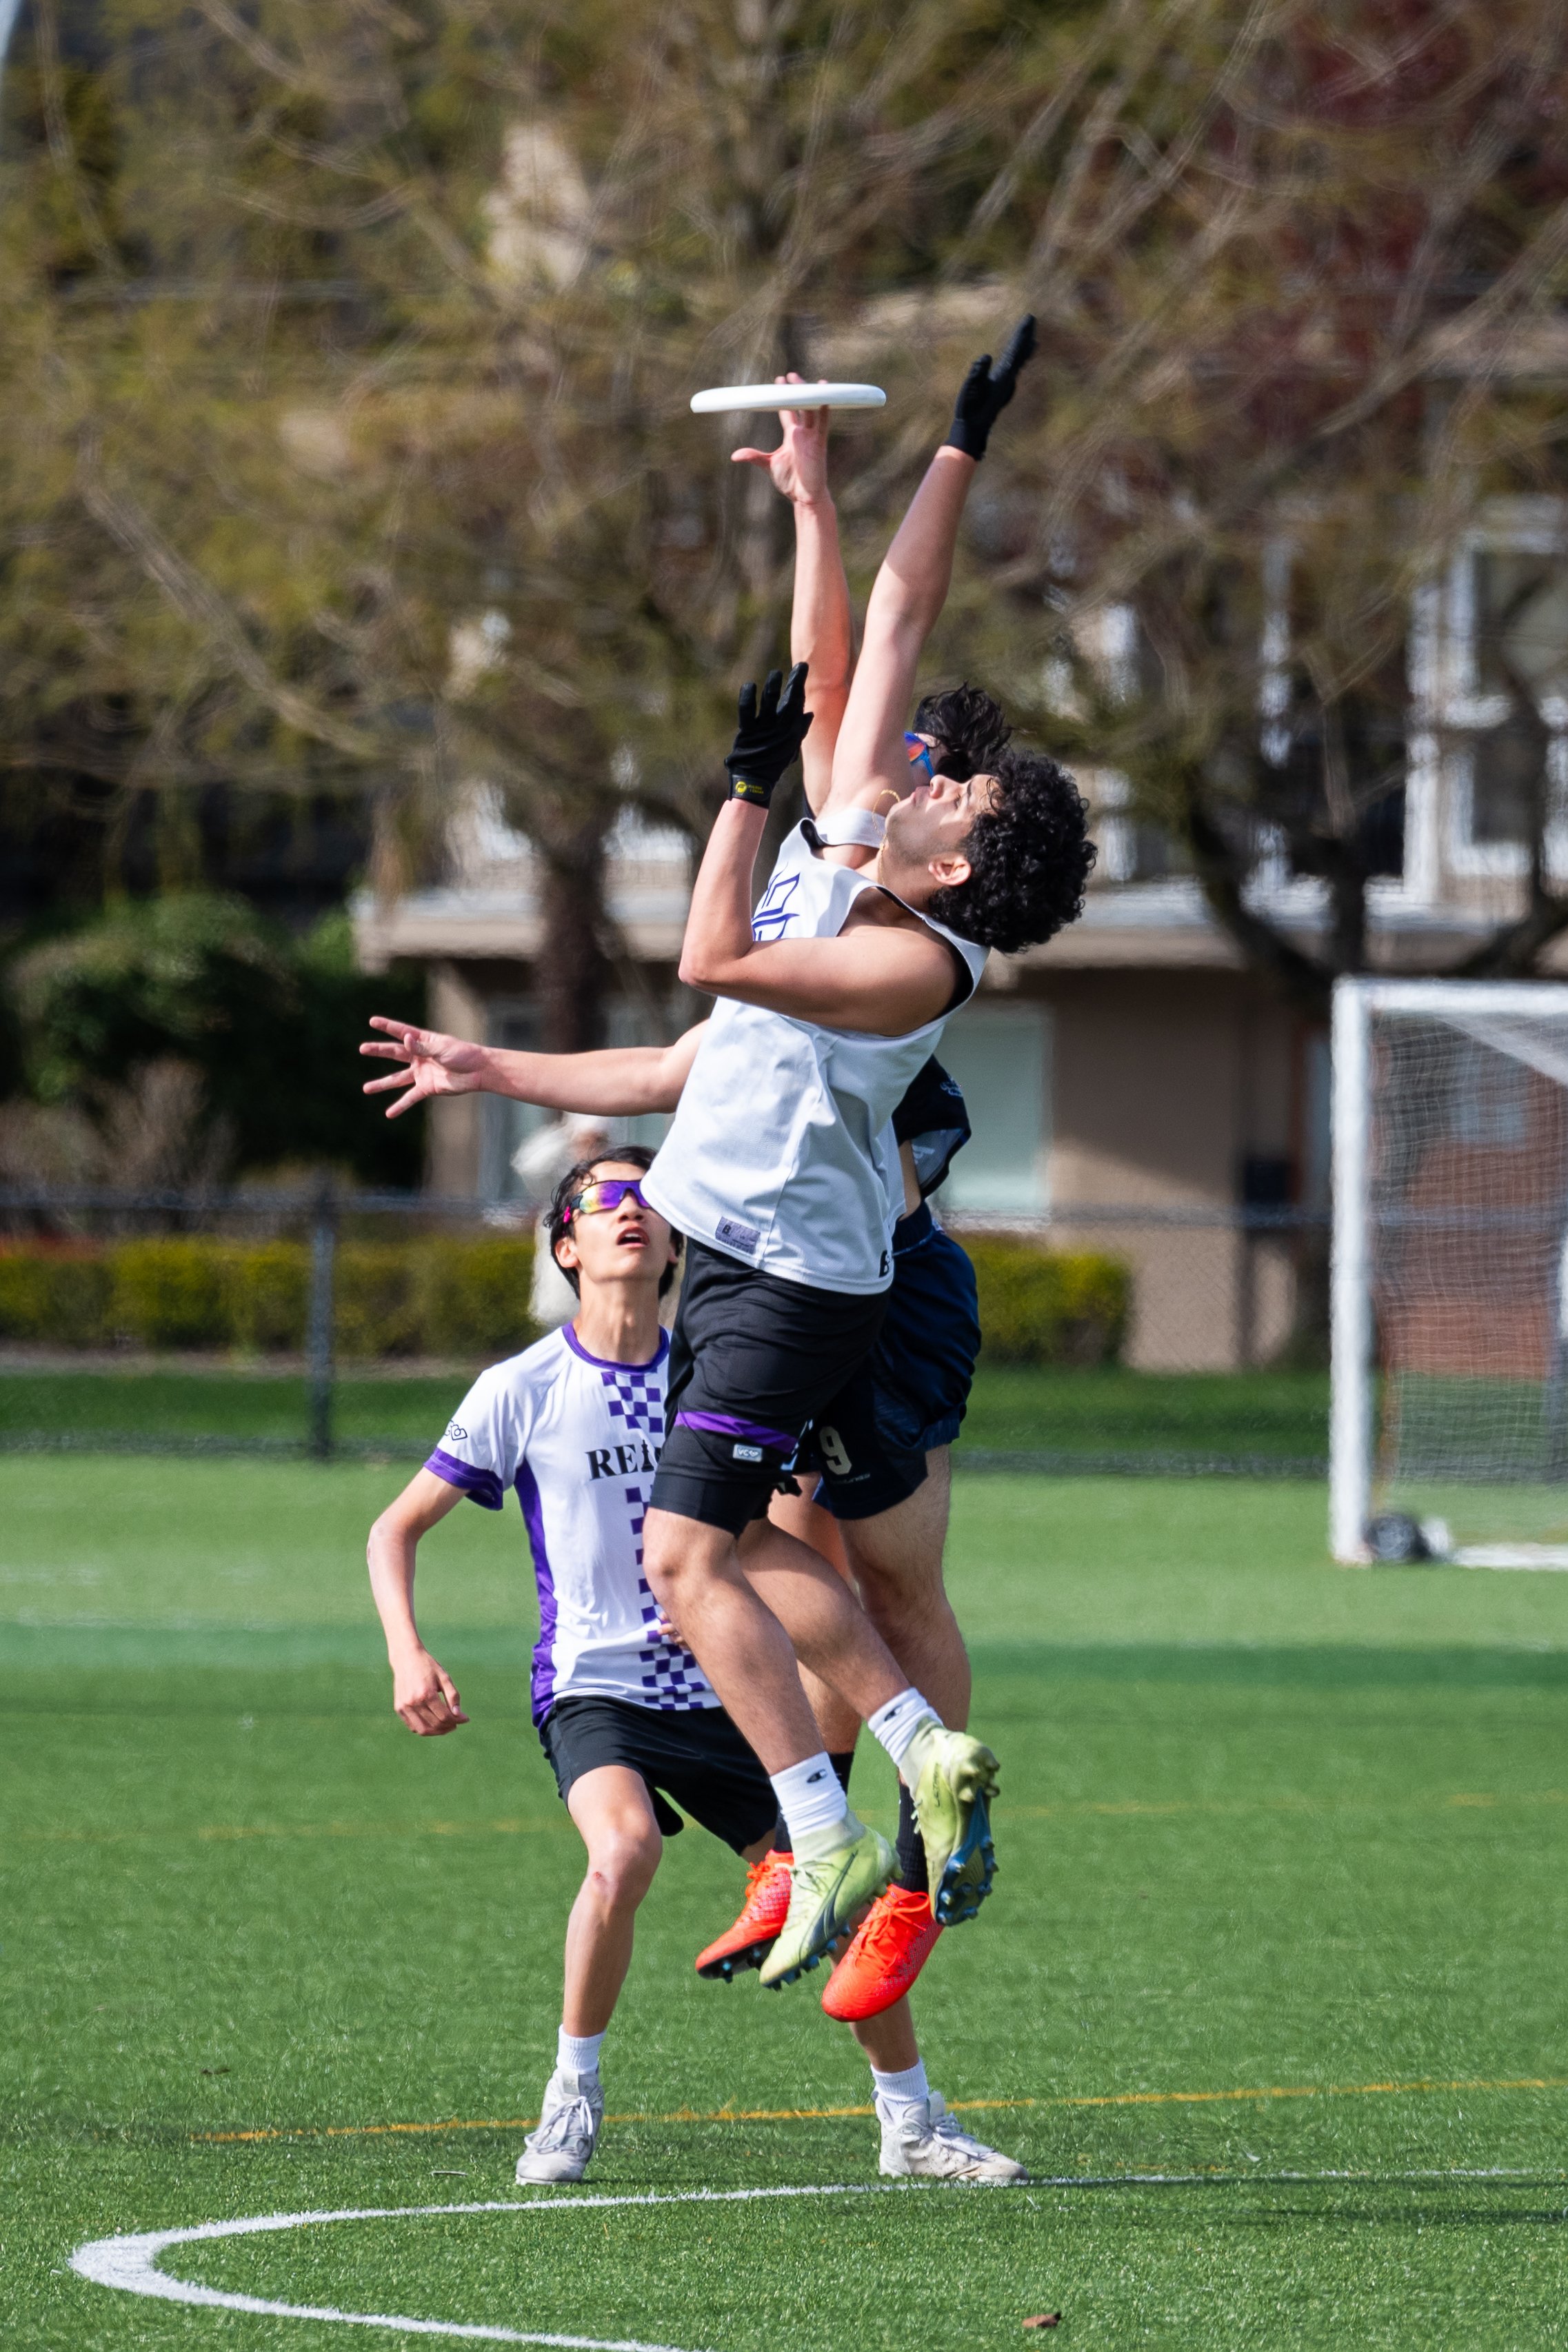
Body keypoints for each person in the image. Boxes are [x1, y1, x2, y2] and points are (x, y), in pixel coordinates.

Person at [362, 321, 1094, 1999]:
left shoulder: (899, 931)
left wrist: (749, 795)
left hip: (853, 1274)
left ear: (960, 853)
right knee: (759, 1544)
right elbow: (866, 633)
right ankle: (840, 1814)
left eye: (948, 778)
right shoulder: (858, 835)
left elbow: (719, 950)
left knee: (846, 1566)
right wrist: (893, 468)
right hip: (769, 1252)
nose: (914, 755)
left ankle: (889, 1842)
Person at [365, 1146, 1026, 2186]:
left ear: (677, 1240)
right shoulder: (521, 1387)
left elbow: (785, 1535)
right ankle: (569, 2098)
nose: (627, 1211)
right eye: (599, 1201)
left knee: (842, 1894)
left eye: (646, 1198)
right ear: (565, 1247)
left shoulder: (719, 1380)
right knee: (623, 1852)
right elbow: (393, 1530)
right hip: (596, 1690)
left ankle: (911, 2122)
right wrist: (408, 1653)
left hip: (728, 1690)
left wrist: (723, 1601)